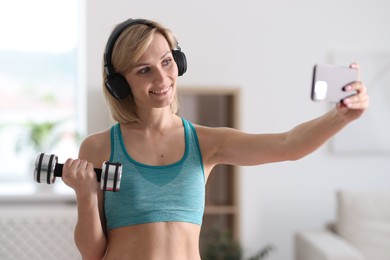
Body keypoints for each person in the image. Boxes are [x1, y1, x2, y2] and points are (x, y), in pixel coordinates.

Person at [61, 18, 369, 260]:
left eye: (167, 62)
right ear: (119, 84)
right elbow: (92, 253)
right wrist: (86, 195)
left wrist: (341, 116)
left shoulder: (206, 142)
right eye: (144, 70)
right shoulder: (99, 147)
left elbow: (288, 145)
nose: (162, 79)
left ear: (179, 61)